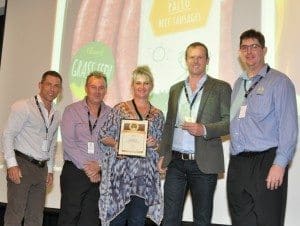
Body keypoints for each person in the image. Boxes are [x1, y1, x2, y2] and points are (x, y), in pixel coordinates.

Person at [227, 29, 298, 226]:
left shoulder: (280, 82)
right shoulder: (238, 84)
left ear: (264, 50)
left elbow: (289, 127)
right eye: (244, 47)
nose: (249, 51)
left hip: (266, 163)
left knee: (268, 220)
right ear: (239, 52)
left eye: (254, 46)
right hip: (238, 163)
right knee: (241, 221)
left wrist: (280, 164)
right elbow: (233, 121)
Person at [157, 42, 232, 226]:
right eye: (192, 57)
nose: (196, 61)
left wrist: (204, 129)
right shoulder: (175, 89)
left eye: (200, 57)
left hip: (203, 165)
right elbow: (169, 125)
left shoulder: (221, 87)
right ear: (186, 60)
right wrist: (162, 154)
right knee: (169, 219)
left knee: (201, 220)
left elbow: (230, 122)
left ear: (207, 60)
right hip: (175, 163)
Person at [99, 66, 165, 226]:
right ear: (132, 86)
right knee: (117, 221)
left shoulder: (158, 114)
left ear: (151, 86)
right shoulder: (119, 109)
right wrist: (117, 144)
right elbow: (103, 135)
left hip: (144, 179)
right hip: (120, 176)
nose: (142, 87)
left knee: (137, 222)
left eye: (146, 83)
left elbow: (163, 145)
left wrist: (155, 143)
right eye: (138, 83)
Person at [2, 71, 62, 226]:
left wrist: (49, 170)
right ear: (40, 85)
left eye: (56, 86)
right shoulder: (24, 106)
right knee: (15, 214)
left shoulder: (56, 113)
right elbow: (8, 134)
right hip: (22, 165)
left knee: (35, 217)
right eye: (48, 84)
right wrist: (12, 164)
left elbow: (51, 143)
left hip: (41, 169)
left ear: (60, 90)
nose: (52, 89)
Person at [58, 71, 111, 226]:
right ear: (86, 88)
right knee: (69, 217)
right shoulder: (71, 110)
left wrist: (99, 166)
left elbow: (114, 146)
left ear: (106, 90)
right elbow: (69, 143)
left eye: (101, 87)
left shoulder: (111, 114)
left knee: (91, 220)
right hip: (75, 171)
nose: (97, 91)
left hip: (99, 173)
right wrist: (88, 167)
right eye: (93, 87)